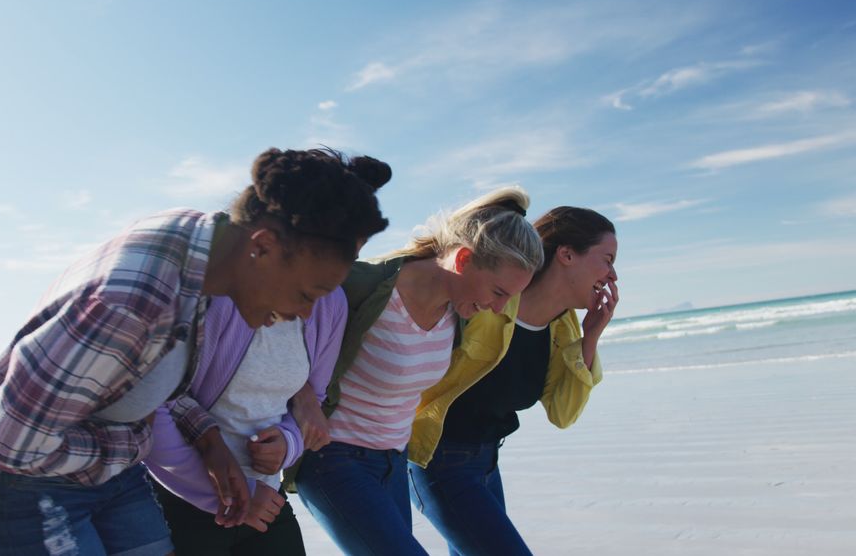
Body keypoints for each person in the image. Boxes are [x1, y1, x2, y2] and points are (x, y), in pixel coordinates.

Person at [0, 147, 390, 556]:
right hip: (25, 489)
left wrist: (207, 437)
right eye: (306, 295)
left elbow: (144, 378)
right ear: (262, 247)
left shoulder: (205, 247)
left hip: (109, 476)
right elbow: (8, 443)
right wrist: (134, 444)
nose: (303, 316)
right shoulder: (128, 305)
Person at [142, 157, 389, 555]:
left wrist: (288, 445)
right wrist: (223, 494)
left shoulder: (329, 307)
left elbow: (311, 403)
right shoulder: (218, 291)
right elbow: (158, 402)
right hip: (181, 492)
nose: (343, 267)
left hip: (265, 495)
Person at [289, 188, 544, 556]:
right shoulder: (363, 286)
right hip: (334, 458)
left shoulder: (459, 315)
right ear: (464, 259)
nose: (498, 307)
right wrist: (303, 400)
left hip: (392, 462)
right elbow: (275, 333)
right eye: (498, 291)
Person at [407, 206, 619, 556]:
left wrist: (590, 337)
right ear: (566, 254)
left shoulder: (561, 329)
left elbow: (562, 414)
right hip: (438, 462)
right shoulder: (484, 298)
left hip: (488, 466)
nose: (612, 276)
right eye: (607, 259)